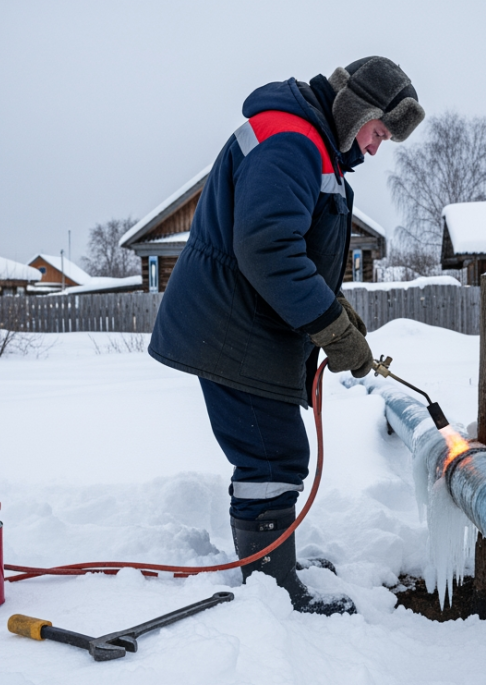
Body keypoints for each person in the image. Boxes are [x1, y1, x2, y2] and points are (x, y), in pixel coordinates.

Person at [148, 57, 424, 615]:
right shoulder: (291, 141)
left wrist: (337, 312)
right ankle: (272, 591)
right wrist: (329, 328)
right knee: (271, 457)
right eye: (379, 132)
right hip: (232, 329)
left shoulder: (309, 143)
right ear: (359, 111)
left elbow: (293, 249)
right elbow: (268, 249)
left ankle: (276, 562)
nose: (375, 148)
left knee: (271, 453)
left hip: (245, 325)